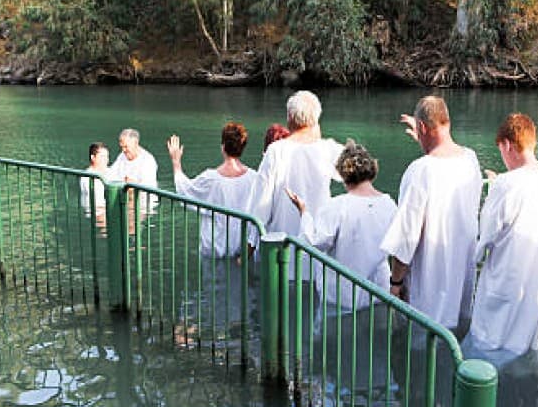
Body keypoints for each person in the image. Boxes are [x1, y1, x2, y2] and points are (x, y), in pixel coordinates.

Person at [466, 113, 538, 358]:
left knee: (486, 355)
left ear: (507, 145)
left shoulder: (505, 185)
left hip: (506, 287)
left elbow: (485, 238)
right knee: (528, 353)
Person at [380, 95, 482, 330]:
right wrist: (424, 137)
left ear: (422, 127)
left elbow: (406, 236)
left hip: (428, 285)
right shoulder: (470, 159)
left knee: (421, 341)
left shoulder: (420, 171)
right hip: (461, 280)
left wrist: (395, 283)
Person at [285, 140, 397, 310]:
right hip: (378, 293)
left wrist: (304, 213)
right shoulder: (389, 205)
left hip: (340, 296)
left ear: (344, 174)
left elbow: (314, 243)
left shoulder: (337, 206)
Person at [249, 91, 343, 241]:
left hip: (281, 241)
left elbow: (261, 205)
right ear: (316, 120)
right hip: (316, 243)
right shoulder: (329, 149)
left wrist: (251, 242)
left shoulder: (275, 150)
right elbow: (357, 173)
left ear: (289, 117)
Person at [167, 122, 259, 258]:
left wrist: (176, 162)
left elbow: (185, 191)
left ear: (223, 147)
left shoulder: (210, 178)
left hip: (215, 250)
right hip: (243, 250)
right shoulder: (254, 178)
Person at [79, 141, 109, 217]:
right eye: (102, 157)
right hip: (96, 211)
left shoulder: (109, 171)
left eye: (107, 157)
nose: (106, 160)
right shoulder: (87, 176)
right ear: (93, 157)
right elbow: (97, 197)